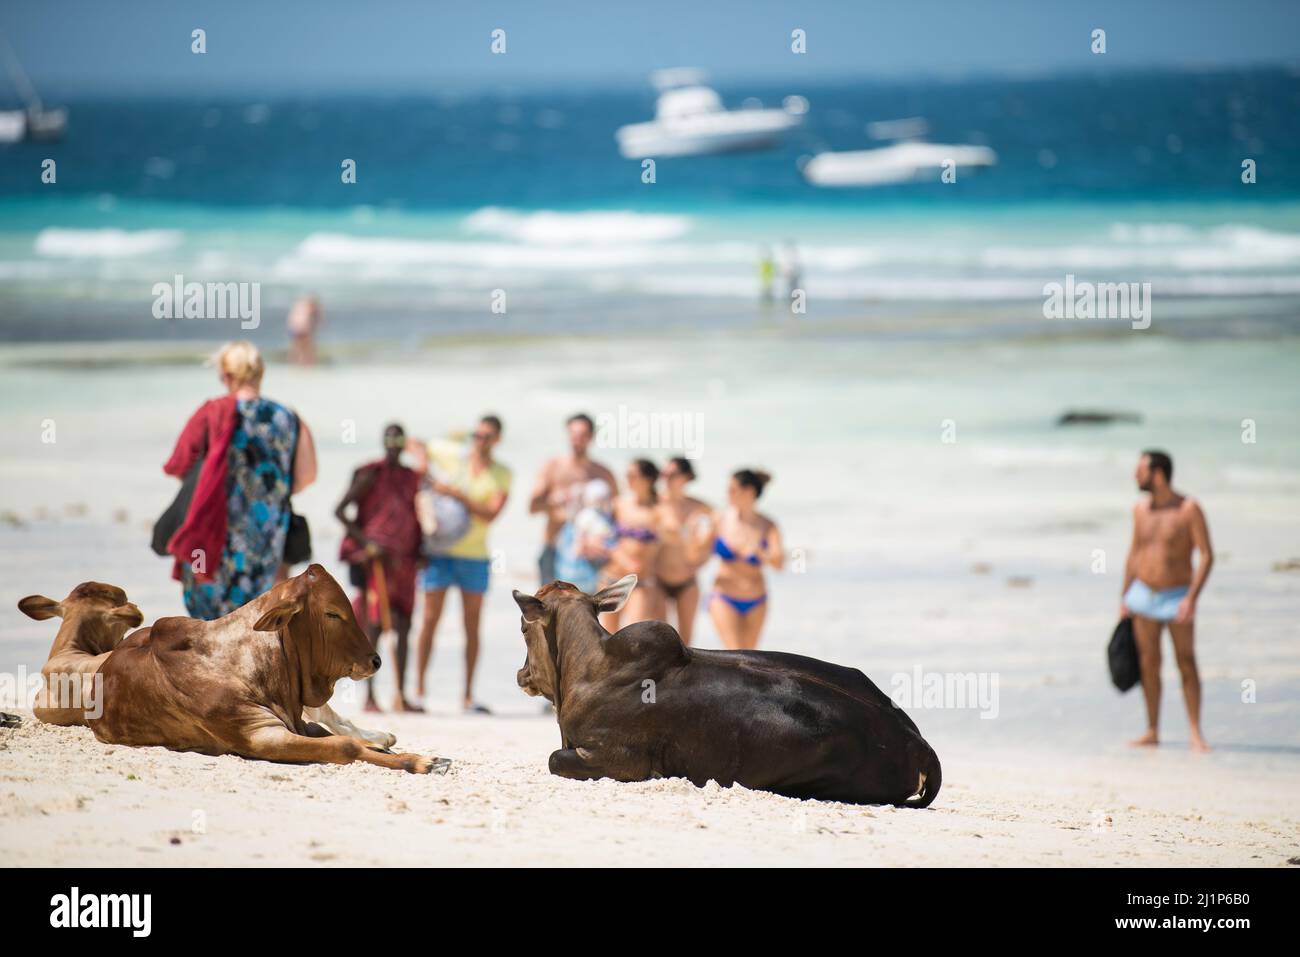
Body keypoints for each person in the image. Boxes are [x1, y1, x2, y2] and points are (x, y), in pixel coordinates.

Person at [163, 341, 317, 620]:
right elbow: (307, 477)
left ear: (229, 376)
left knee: (211, 631)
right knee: (252, 625)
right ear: (260, 373)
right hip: (267, 540)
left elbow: (178, 464)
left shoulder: (212, 412)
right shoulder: (289, 417)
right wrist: (269, 495)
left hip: (214, 536)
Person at [413, 415, 511, 713]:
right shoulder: (454, 457)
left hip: (475, 556)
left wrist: (454, 493)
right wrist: (422, 466)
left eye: (486, 436)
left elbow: (490, 513)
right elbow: (415, 442)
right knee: (430, 621)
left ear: (497, 440)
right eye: (477, 434)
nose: (480, 440)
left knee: (472, 627)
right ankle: (417, 692)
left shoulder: (501, 474)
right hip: (439, 551)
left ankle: (467, 696)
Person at [1120, 450, 1214, 752]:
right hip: (1143, 596)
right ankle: (1152, 730)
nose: (1136, 476)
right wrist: (1124, 597)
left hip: (1177, 597)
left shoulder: (1188, 509)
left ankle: (1195, 733)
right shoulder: (1139, 510)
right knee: (1149, 664)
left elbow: (1207, 555)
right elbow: (1134, 555)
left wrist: (1192, 598)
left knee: (1186, 662)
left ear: (1158, 474)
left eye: (1140, 471)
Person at [336, 423, 423, 713]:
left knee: (405, 626)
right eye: (390, 438)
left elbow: (417, 513)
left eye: (399, 438)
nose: (394, 444)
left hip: (405, 561)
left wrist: (420, 549)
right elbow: (341, 510)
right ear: (383, 441)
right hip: (378, 561)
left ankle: (401, 694)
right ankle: (370, 695)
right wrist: (367, 543)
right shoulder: (371, 473)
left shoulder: (411, 477)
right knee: (374, 625)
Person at [529, 413, 617, 585]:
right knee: (549, 610)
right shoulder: (553, 467)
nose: (577, 440)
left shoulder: (603, 473)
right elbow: (533, 507)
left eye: (582, 435)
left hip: (592, 553)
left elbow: (616, 514)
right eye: (573, 435)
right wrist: (557, 501)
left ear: (591, 437)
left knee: (588, 611)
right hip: (555, 549)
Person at [703, 469, 783, 650]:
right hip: (723, 596)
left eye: (732, 489)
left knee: (749, 656)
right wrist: (695, 536)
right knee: (735, 652)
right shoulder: (719, 519)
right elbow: (696, 554)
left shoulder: (767, 525)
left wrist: (762, 553)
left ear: (749, 492)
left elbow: (779, 563)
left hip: (756, 599)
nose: (727, 494)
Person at [598, 459, 664, 632]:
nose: (628, 479)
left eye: (632, 475)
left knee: (633, 634)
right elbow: (603, 536)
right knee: (608, 637)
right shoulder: (619, 504)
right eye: (627, 475)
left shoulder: (660, 510)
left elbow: (675, 540)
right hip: (612, 578)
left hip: (641, 583)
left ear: (649, 479)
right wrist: (620, 557)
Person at [655, 457, 712, 646]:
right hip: (657, 580)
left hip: (687, 581)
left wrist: (698, 563)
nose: (666, 478)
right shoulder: (654, 503)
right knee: (658, 639)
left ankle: (683, 677)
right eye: (664, 474)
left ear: (686, 477)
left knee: (686, 643)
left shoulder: (700, 507)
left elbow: (714, 542)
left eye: (672, 474)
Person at [554, 478, 615, 594]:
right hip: (579, 575)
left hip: (594, 574)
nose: (600, 502)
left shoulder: (606, 517)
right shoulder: (582, 519)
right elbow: (577, 546)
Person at [286, 294, 322, 366]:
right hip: (303, 327)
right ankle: (306, 363)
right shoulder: (309, 307)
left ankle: (295, 363)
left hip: (294, 327)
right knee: (306, 347)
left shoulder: (298, 305)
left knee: (297, 347)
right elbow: (316, 318)